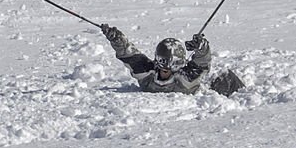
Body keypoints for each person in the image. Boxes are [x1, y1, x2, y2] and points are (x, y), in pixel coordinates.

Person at [100, 25, 244, 97]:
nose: (165, 69)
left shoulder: (186, 78)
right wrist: (117, 39)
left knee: (225, 78)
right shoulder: (147, 74)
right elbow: (129, 53)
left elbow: (202, 62)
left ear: (180, 65)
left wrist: (201, 47)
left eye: (171, 65)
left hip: (209, 91)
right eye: (162, 63)